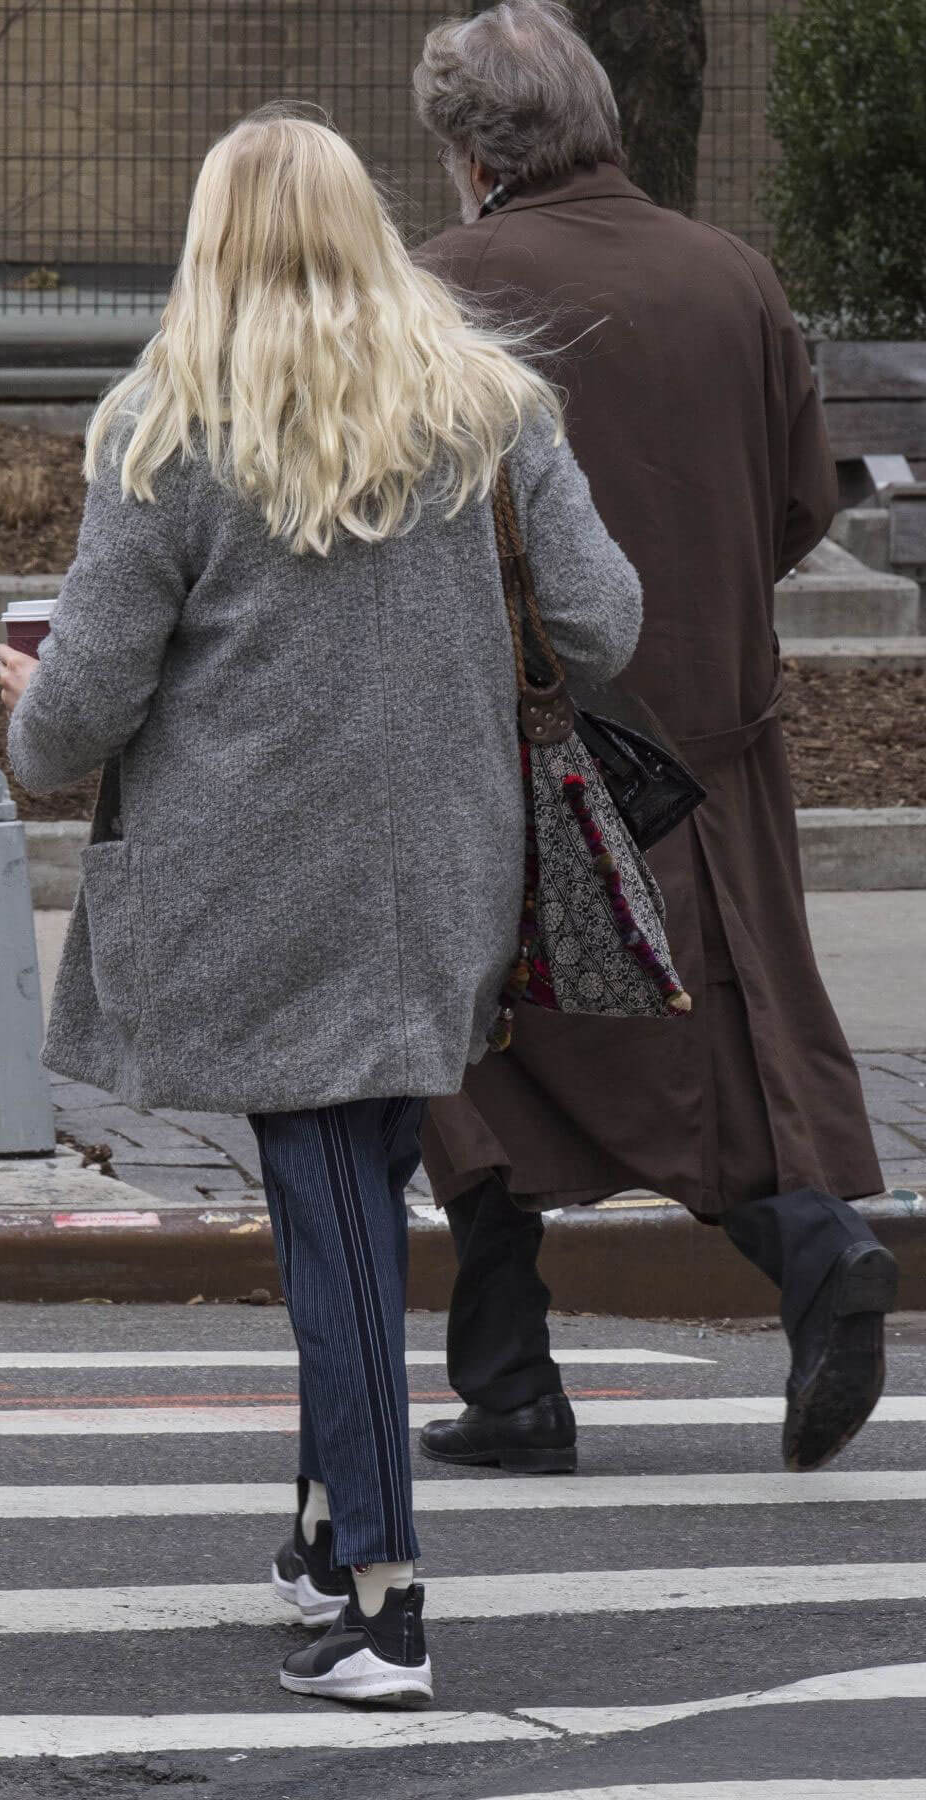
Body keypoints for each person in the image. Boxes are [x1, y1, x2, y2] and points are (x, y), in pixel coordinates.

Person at [0, 108, 641, 1707]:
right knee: (346, 1184)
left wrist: (23, 703)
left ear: (215, 239)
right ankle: (316, 1526)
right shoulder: (487, 405)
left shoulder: (170, 423)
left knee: (332, 1216)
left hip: (245, 881)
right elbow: (606, 625)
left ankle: (382, 1594)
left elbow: (77, 711)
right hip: (442, 865)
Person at [411, 0, 898, 1482]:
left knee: (463, 1033)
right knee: (708, 1035)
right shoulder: (731, 275)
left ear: (474, 149)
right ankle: (806, 1251)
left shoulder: (437, 293)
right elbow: (806, 504)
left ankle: (517, 1377)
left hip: (520, 734)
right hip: (713, 734)